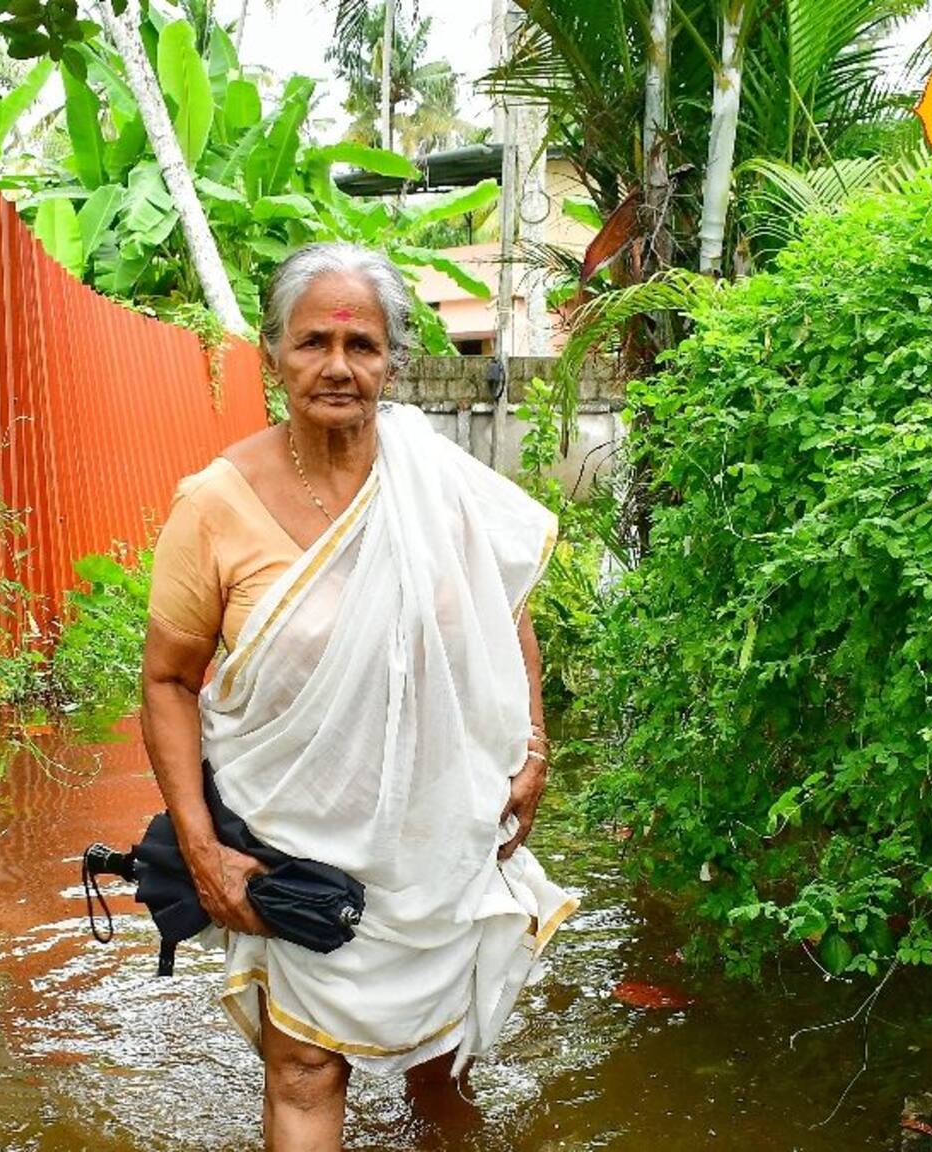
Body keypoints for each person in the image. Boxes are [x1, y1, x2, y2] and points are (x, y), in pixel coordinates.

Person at [140, 242, 577, 1150]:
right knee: (305, 1066)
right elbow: (169, 682)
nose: (338, 366)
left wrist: (533, 748)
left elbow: (510, 607)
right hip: (299, 845)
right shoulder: (215, 505)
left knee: (445, 1061)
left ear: (391, 358)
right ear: (273, 353)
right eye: (312, 342)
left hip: (439, 835)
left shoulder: (435, 480)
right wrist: (201, 845)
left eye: (362, 345)